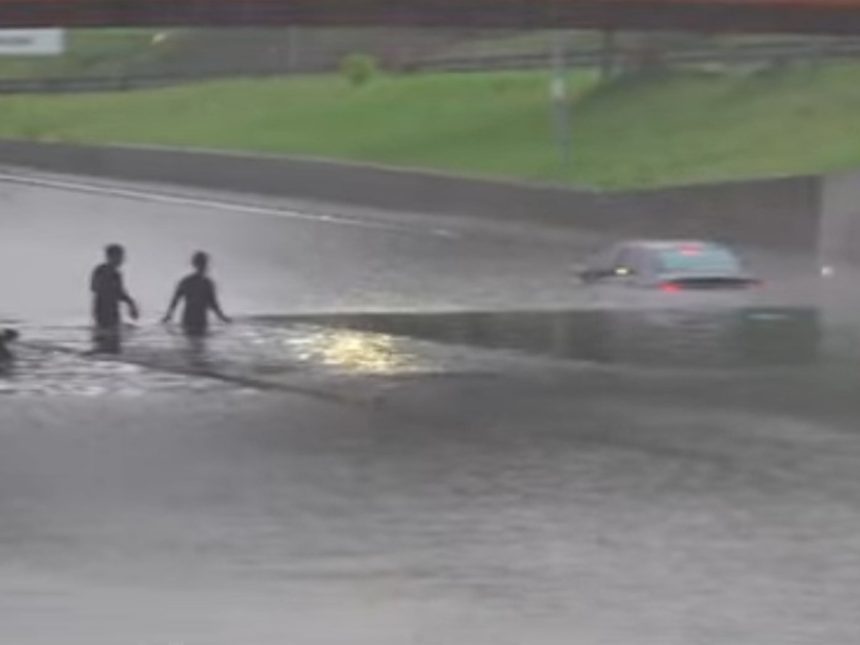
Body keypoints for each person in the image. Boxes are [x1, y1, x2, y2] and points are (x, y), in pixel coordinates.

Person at [162, 251, 231, 336]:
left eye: (204, 263)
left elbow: (213, 303)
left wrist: (168, 315)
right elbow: (213, 304)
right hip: (195, 320)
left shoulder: (192, 282)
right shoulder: (202, 283)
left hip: (194, 319)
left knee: (191, 345)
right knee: (197, 345)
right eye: (203, 263)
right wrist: (222, 317)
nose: (204, 266)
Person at [90, 244, 139, 330]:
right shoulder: (101, 270)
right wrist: (130, 303)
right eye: (120, 256)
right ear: (110, 257)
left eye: (122, 257)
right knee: (108, 332)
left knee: (113, 332)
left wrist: (131, 303)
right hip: (103, 308)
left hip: (111, 309)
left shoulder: (116, 274)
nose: (122, 260)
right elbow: (95, 288)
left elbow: (119, 292)